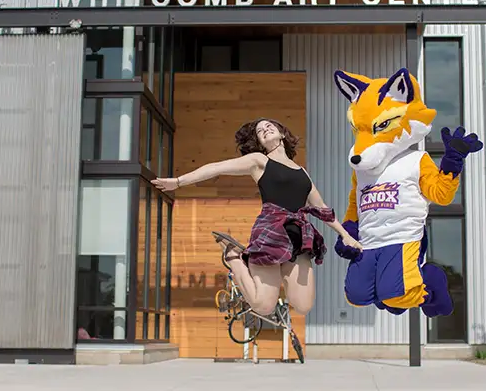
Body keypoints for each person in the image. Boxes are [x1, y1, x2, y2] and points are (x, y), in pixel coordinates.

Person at [151, 118, 360, 318]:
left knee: (303, 306)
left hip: (299, 238)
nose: (265, 130)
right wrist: (178, 182)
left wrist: (345, 235)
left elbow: (321, 207)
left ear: (282, 133)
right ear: (259, 143)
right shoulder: (259, 161)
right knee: (263, 306)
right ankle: (233, 256)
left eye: (269, 126)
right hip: (271, 233)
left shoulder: (302, 172)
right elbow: (216, 167)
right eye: (260, 131)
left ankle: (267, 271)